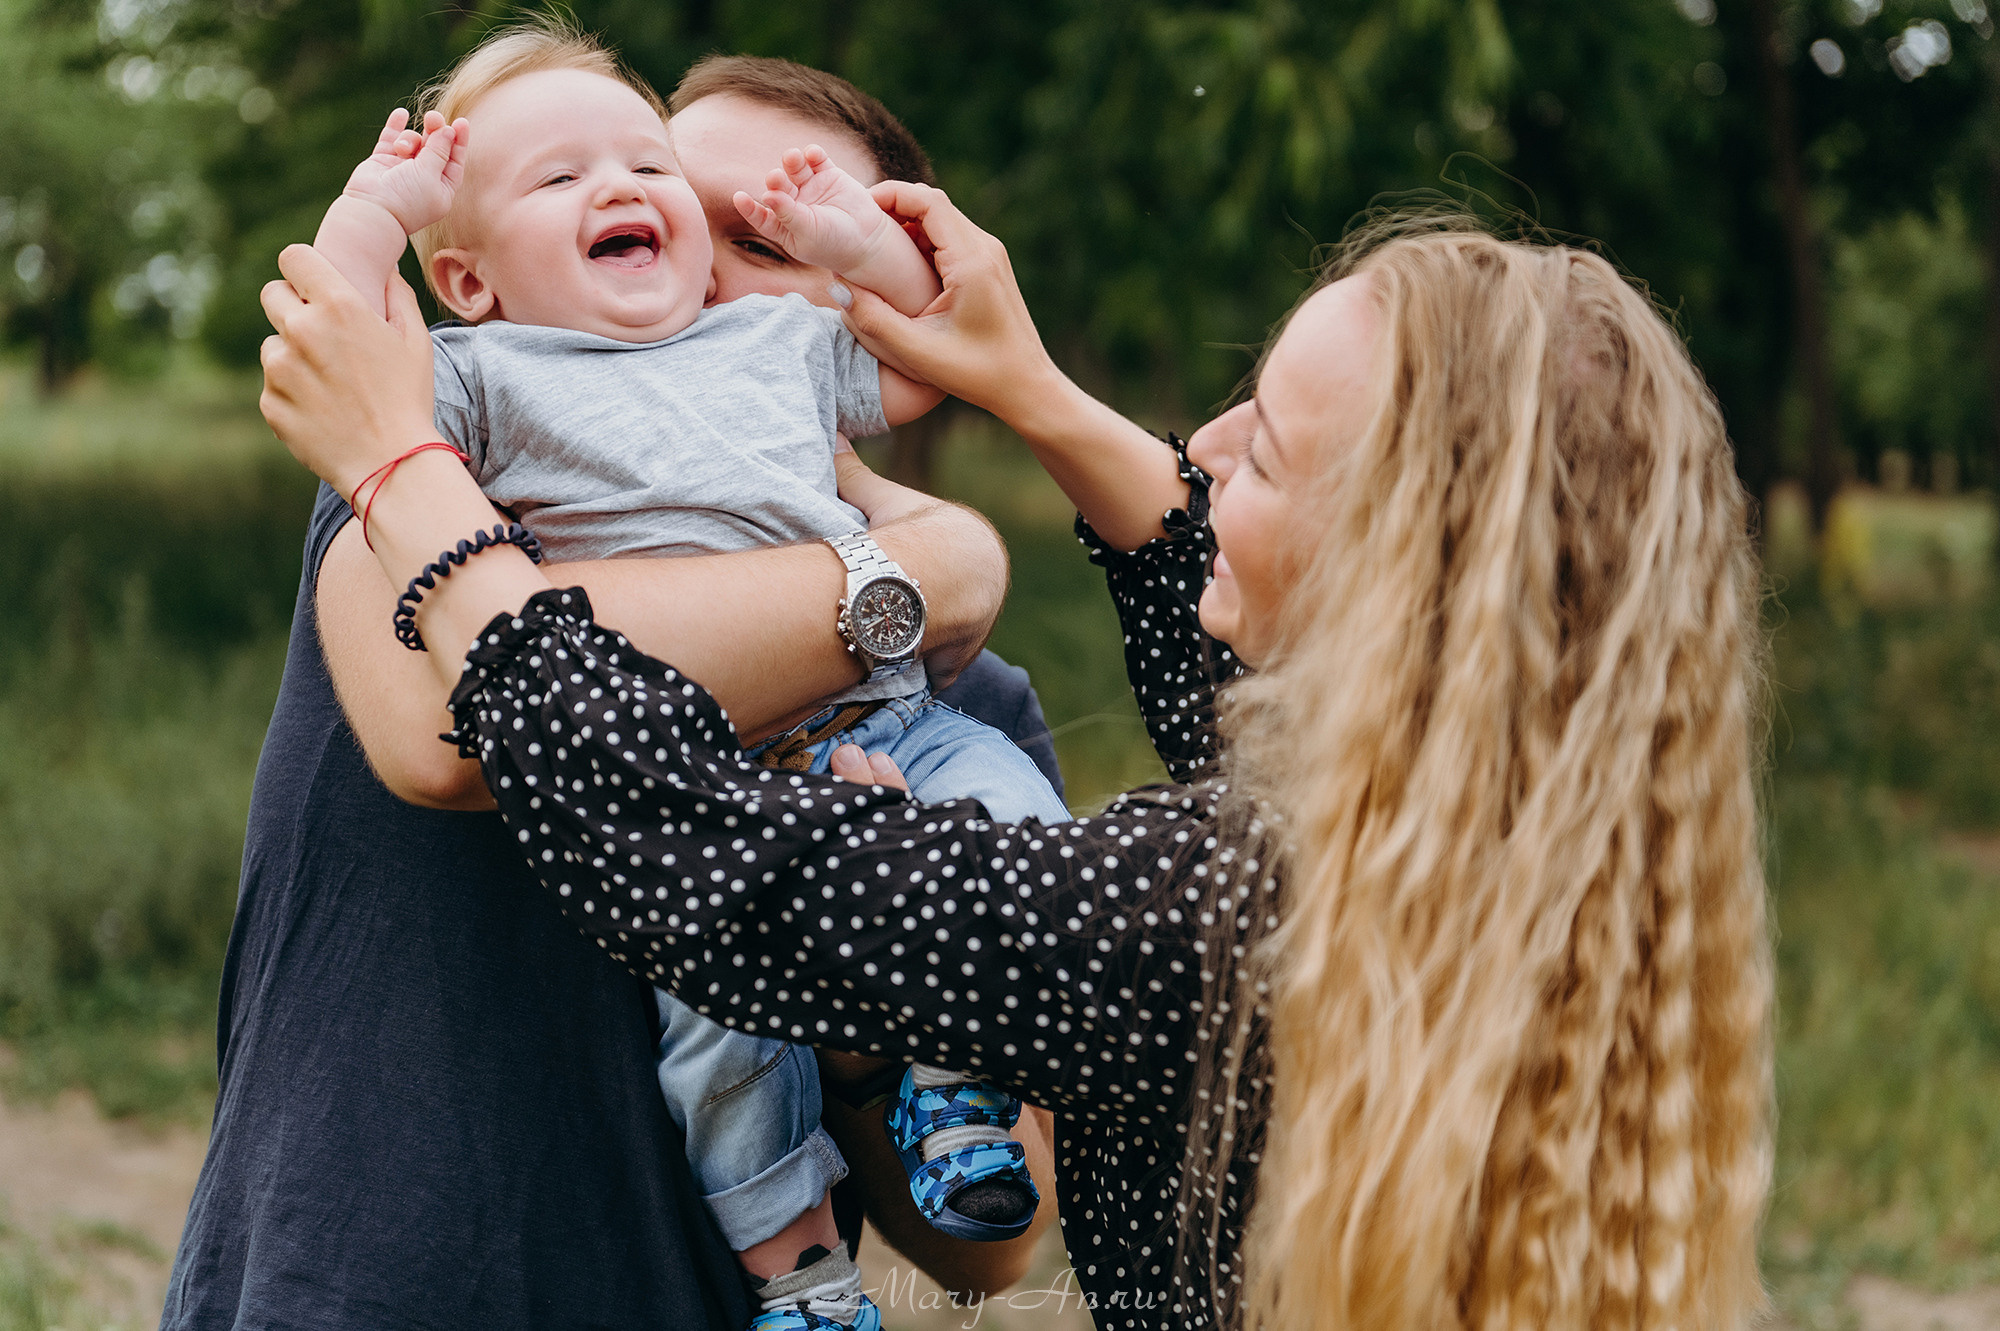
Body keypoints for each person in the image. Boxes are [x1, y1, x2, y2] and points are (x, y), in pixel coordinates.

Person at [259, 189, 1775, 1331]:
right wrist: (1029, 386)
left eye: (1273, 450)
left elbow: (718, 853)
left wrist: (408, 476)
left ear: (1401, 567)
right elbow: (1211, 640)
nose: (1204, 441)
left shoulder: (1208, 912)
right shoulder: (1480, 835)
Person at [162, 56, 1058, 1331]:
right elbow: (449, 730)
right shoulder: (431, 481)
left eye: (763, 231)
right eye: (618, 179)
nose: (687, 250)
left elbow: (990, 1253)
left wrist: (868, 995)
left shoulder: (959, 713)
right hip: (360, 1280)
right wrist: (914, 569)